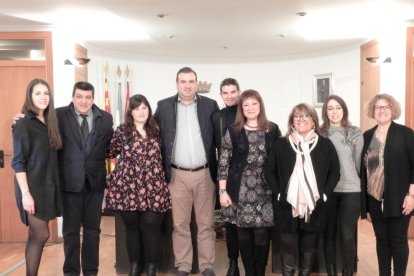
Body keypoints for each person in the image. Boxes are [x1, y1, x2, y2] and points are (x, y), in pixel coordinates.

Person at [154, 67, 219, 276]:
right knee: (180, 224)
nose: (188, 85)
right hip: (177, 176)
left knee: (206, 224)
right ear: (177, 84)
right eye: (183, 81)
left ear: (196, 84)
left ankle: (207, 265)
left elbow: (219, 140)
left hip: (205, 173)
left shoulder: (210, 105)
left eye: (191, 81)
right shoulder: (163, 107)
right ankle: (183, 266)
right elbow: (153, 137)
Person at [266, 103, 340, 276]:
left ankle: (304, 273)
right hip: (286, 205)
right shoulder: (281, 144)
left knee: (309, 246)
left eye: (306, 116)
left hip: (315, 205)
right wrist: (278, 194)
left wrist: (324, 195)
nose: (301, 119)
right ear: (291, 121)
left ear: (314, 120)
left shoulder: (325, 145)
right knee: (288, 245)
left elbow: (335, 173)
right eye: (297, 116)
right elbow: (269, 170)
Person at [106, 94, 171, 276]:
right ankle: (135, 266)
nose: (141, 112)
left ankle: (151, 267)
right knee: (132, 228)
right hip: (127, 187)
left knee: (151, 226)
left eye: (144, 108)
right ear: (131, 112)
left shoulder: (157, 130)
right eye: (137, 108)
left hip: (154, 187)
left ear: (149, 110)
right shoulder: (122, 131)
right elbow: (109, 151)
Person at [218, 89, 280, 276]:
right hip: (239, 190)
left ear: (260, 105)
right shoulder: (233, 131)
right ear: (241, 109)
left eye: (254, 104)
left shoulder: (273, 129)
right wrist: (223, 192)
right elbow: (223, 162)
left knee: (262, 235)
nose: (250, 108)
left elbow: (280, 159)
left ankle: (259, 272)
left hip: (265, 191)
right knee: (243, 234)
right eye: (246, 105)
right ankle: (249, 273)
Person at [57, 81, 113, 276]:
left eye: (88, 97)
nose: (83, 101)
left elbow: (109, 147)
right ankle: (70, 272)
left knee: (92, 232)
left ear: (93, 98)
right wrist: (19, 120)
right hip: (69, 183)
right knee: (70, 232)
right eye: (79, 96)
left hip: (95, 183)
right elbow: (39, 127)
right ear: (73, 97)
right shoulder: (58, 115)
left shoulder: (105, 118)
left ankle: (91, 272)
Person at [12, 78, 63, 276]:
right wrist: (26, 194)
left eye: (46, 93)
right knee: (41, 234)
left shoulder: (51, 121)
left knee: (36, 235)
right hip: (30, 187)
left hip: (48, 186)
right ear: (30, 96)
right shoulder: (24, 123)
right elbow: (18, 162)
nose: (43, 97)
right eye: (38, 93)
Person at [361, 94, 414, 276]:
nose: (382, 110)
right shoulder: (367, 136)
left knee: (398, 240)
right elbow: (364, 169)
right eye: (378, 107)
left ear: (393, 110)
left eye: (386, 107)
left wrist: (412, 196)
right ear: (372, 111)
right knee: (382, 239)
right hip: (375, 197)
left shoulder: (405, 133)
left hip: (401, 198)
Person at [320, 95, 363, 276]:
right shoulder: (319, 133)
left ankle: (347, 272)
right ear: (325, 112)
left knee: (346, 234)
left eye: (338, 107)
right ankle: (331, 272)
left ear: (344, 110)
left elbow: (358, 162)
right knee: (328, 233)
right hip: (327, 192)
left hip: (350, 190)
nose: (335, 111)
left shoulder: (354, 132)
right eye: (330, 108)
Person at [211, 77, 241, 276]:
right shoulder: (217, 117)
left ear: (239, 92)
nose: (229, 96)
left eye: (233, 92)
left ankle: (252, 262)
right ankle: (233, 263)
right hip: (227, 177)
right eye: (225, 92)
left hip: (249, 177)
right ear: (221, 95)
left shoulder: (247, 110)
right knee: (230, 224)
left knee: (248, 223)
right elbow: (213, 146)